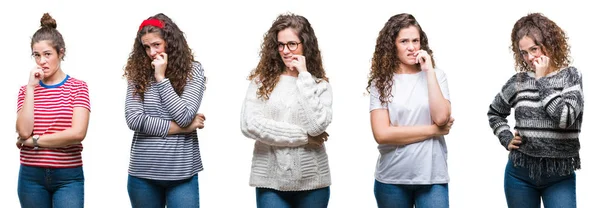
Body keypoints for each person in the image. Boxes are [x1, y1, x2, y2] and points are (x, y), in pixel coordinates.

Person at [487, 13, 583, 208]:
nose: (529, 58)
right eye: (524, 52)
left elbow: (565, 117)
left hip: (559, 176)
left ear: (549, 44)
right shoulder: (519, 81)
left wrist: (542, 80)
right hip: (519, 174)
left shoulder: (571, 76)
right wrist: (505, 137)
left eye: (534, 49)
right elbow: (495, 112)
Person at [240, 13, 333, 208]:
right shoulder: (261, 82)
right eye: (280, 45)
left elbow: (316, 126)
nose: (285, 51)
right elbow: (250, 124)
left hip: (313, 181)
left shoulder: (318, 84)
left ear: (305, 44)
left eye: (292, 44)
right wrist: (303, 138)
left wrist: (304, 76)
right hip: (270, 182)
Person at [367, 13, 454, 208]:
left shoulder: (437, 76)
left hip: (432, 177)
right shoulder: (381, 83)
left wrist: (428, 71)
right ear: (392, 45)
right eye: (404, 41)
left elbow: (441, 117)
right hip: (392, 179)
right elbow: (382, 134)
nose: (412, 47)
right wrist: (432, 131)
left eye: (415, 40)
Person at [124, 13, 206, 208]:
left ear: (170, 42)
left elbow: (185, 116)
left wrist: (161, 78)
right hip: (142, 173)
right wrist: (181, 129)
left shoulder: (193, 71)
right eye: (146, 47)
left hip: (182, 172)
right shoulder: (138, 73)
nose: (152, 52)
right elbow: (134, 119)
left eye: (156, 45)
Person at [15, 13, 91, 208]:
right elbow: (23, 131)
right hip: (30, 177)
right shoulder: (25, 90)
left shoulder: (78, 87)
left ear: (61, 53)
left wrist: (33, 141)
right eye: (37, 55)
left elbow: (77, 134)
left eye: (47, 54)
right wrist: (32, 87)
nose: (42, 61)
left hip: (68, 177)